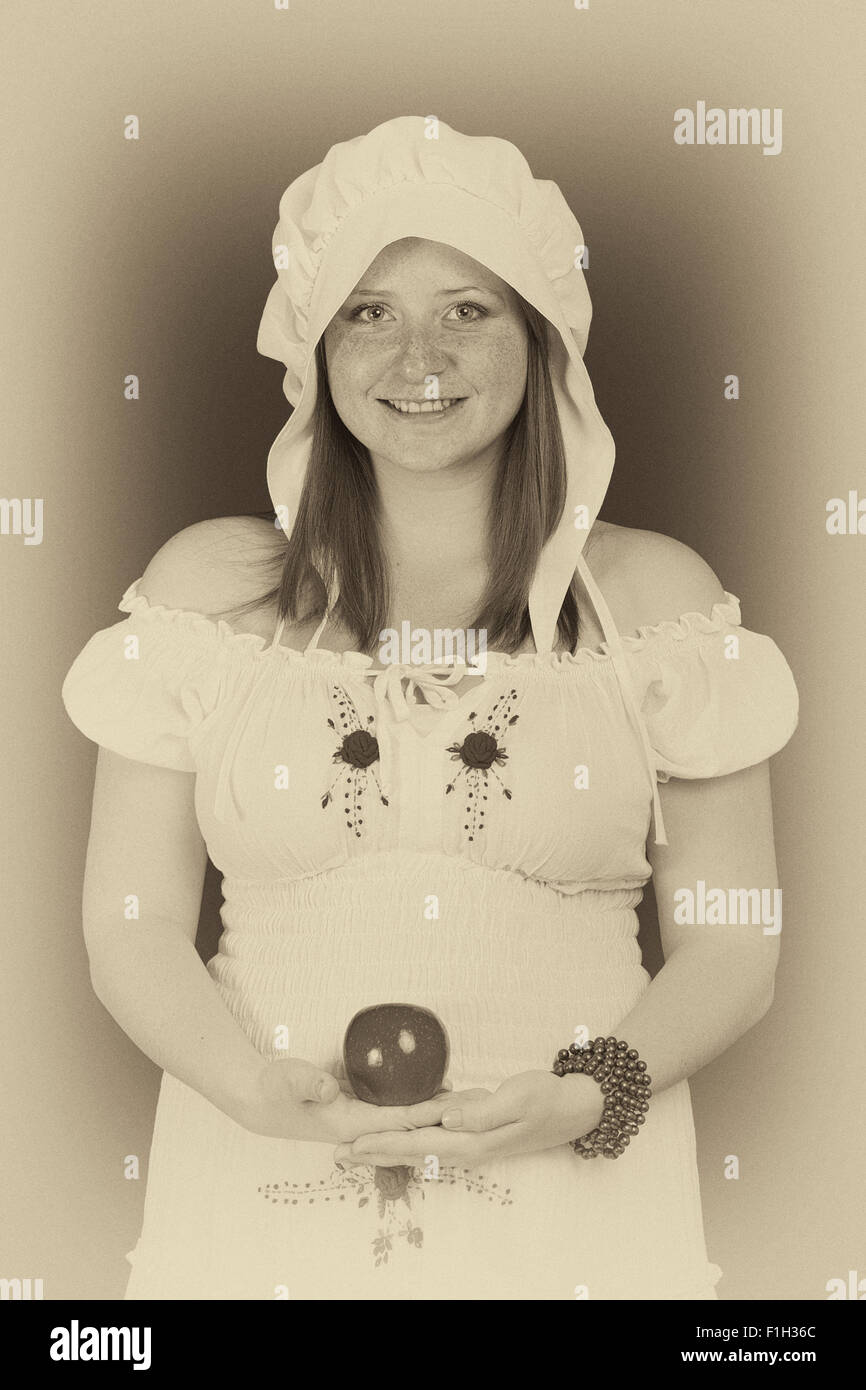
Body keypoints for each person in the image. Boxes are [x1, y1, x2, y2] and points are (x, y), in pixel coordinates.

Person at [61, 115, 799, 1300]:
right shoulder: (210, 593)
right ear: (314, 347)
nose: (418, 357)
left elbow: (734, 941)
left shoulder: (654, 601)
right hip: (257, 1191)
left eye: (466, 308)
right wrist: (252, 1093)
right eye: (368, 310)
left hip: (580, 1214)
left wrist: (586, 1093)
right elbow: (128, 925)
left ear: (542, 337)